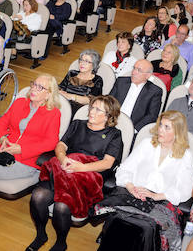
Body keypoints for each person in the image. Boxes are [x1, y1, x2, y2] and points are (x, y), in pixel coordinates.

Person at [0, 74, 62, 232]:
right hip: (3, 151)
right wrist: (2, 138)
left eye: (40, 87)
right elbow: (2, 121)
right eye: (33, 84)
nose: (34, 89)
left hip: (25, 160)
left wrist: (22, 149)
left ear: (48, 93)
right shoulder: (20, 102)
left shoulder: (53, 113)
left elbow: (51, 142)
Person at [27, 95, 122, 251]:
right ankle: (41, 235)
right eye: (92, 107)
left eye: (98, 109)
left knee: (61, 206)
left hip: (86, 176)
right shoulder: (77, 124)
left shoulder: (114, 135)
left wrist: (80, 168)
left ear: (108, 116)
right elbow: (60, 145)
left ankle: (61, 243)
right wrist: (63, 159)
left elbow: (107, 163)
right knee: (38, 196)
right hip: (64, 169)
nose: (92, 111)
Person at [97, 111, 193, 251]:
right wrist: (130, 187)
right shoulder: (146, 144)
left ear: (177, 132)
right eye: (161, 125)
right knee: (118, 219)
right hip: (133, 194)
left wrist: (156, 195)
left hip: (160, 202)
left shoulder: (185, 156)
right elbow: (124, 170)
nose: (160, 129)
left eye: (167, 127)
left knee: (145, 228)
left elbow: (184, 191)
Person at [109, 59, 161, 132]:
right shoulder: (121, 81)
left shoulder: (154, 91)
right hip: (112, 121)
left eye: (139, 70)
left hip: (132, 128)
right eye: (134, 68)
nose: (133, 72)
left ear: (148, 75)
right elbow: (109, 101)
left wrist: (133, 130)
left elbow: (152, 116)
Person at [59, 49, 104, 114]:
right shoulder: (72, 73)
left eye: (87, 61)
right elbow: (60, 88)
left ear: (94, 65)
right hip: (63, 104)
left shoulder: (97, 80)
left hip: (81, 110)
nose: (82, 63)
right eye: (81, 60)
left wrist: (70, 96)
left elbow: (91, 100)